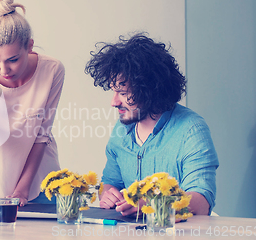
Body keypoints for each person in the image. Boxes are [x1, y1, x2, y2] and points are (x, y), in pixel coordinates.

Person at [84, 33, 219, 216]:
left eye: (123, 93)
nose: (114, 102)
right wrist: (108, 195)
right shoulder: (122, 129)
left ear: (149, 90)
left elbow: (202, 202)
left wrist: (153, 203)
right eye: (114, 91)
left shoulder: (192, 130)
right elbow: (111, 183)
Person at [0, 0, 64, 209]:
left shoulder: (53, 70)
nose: (3, 69)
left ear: (30, 46)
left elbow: (41, 135)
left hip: (43, 178)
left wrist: (23, 188)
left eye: (12, 60)